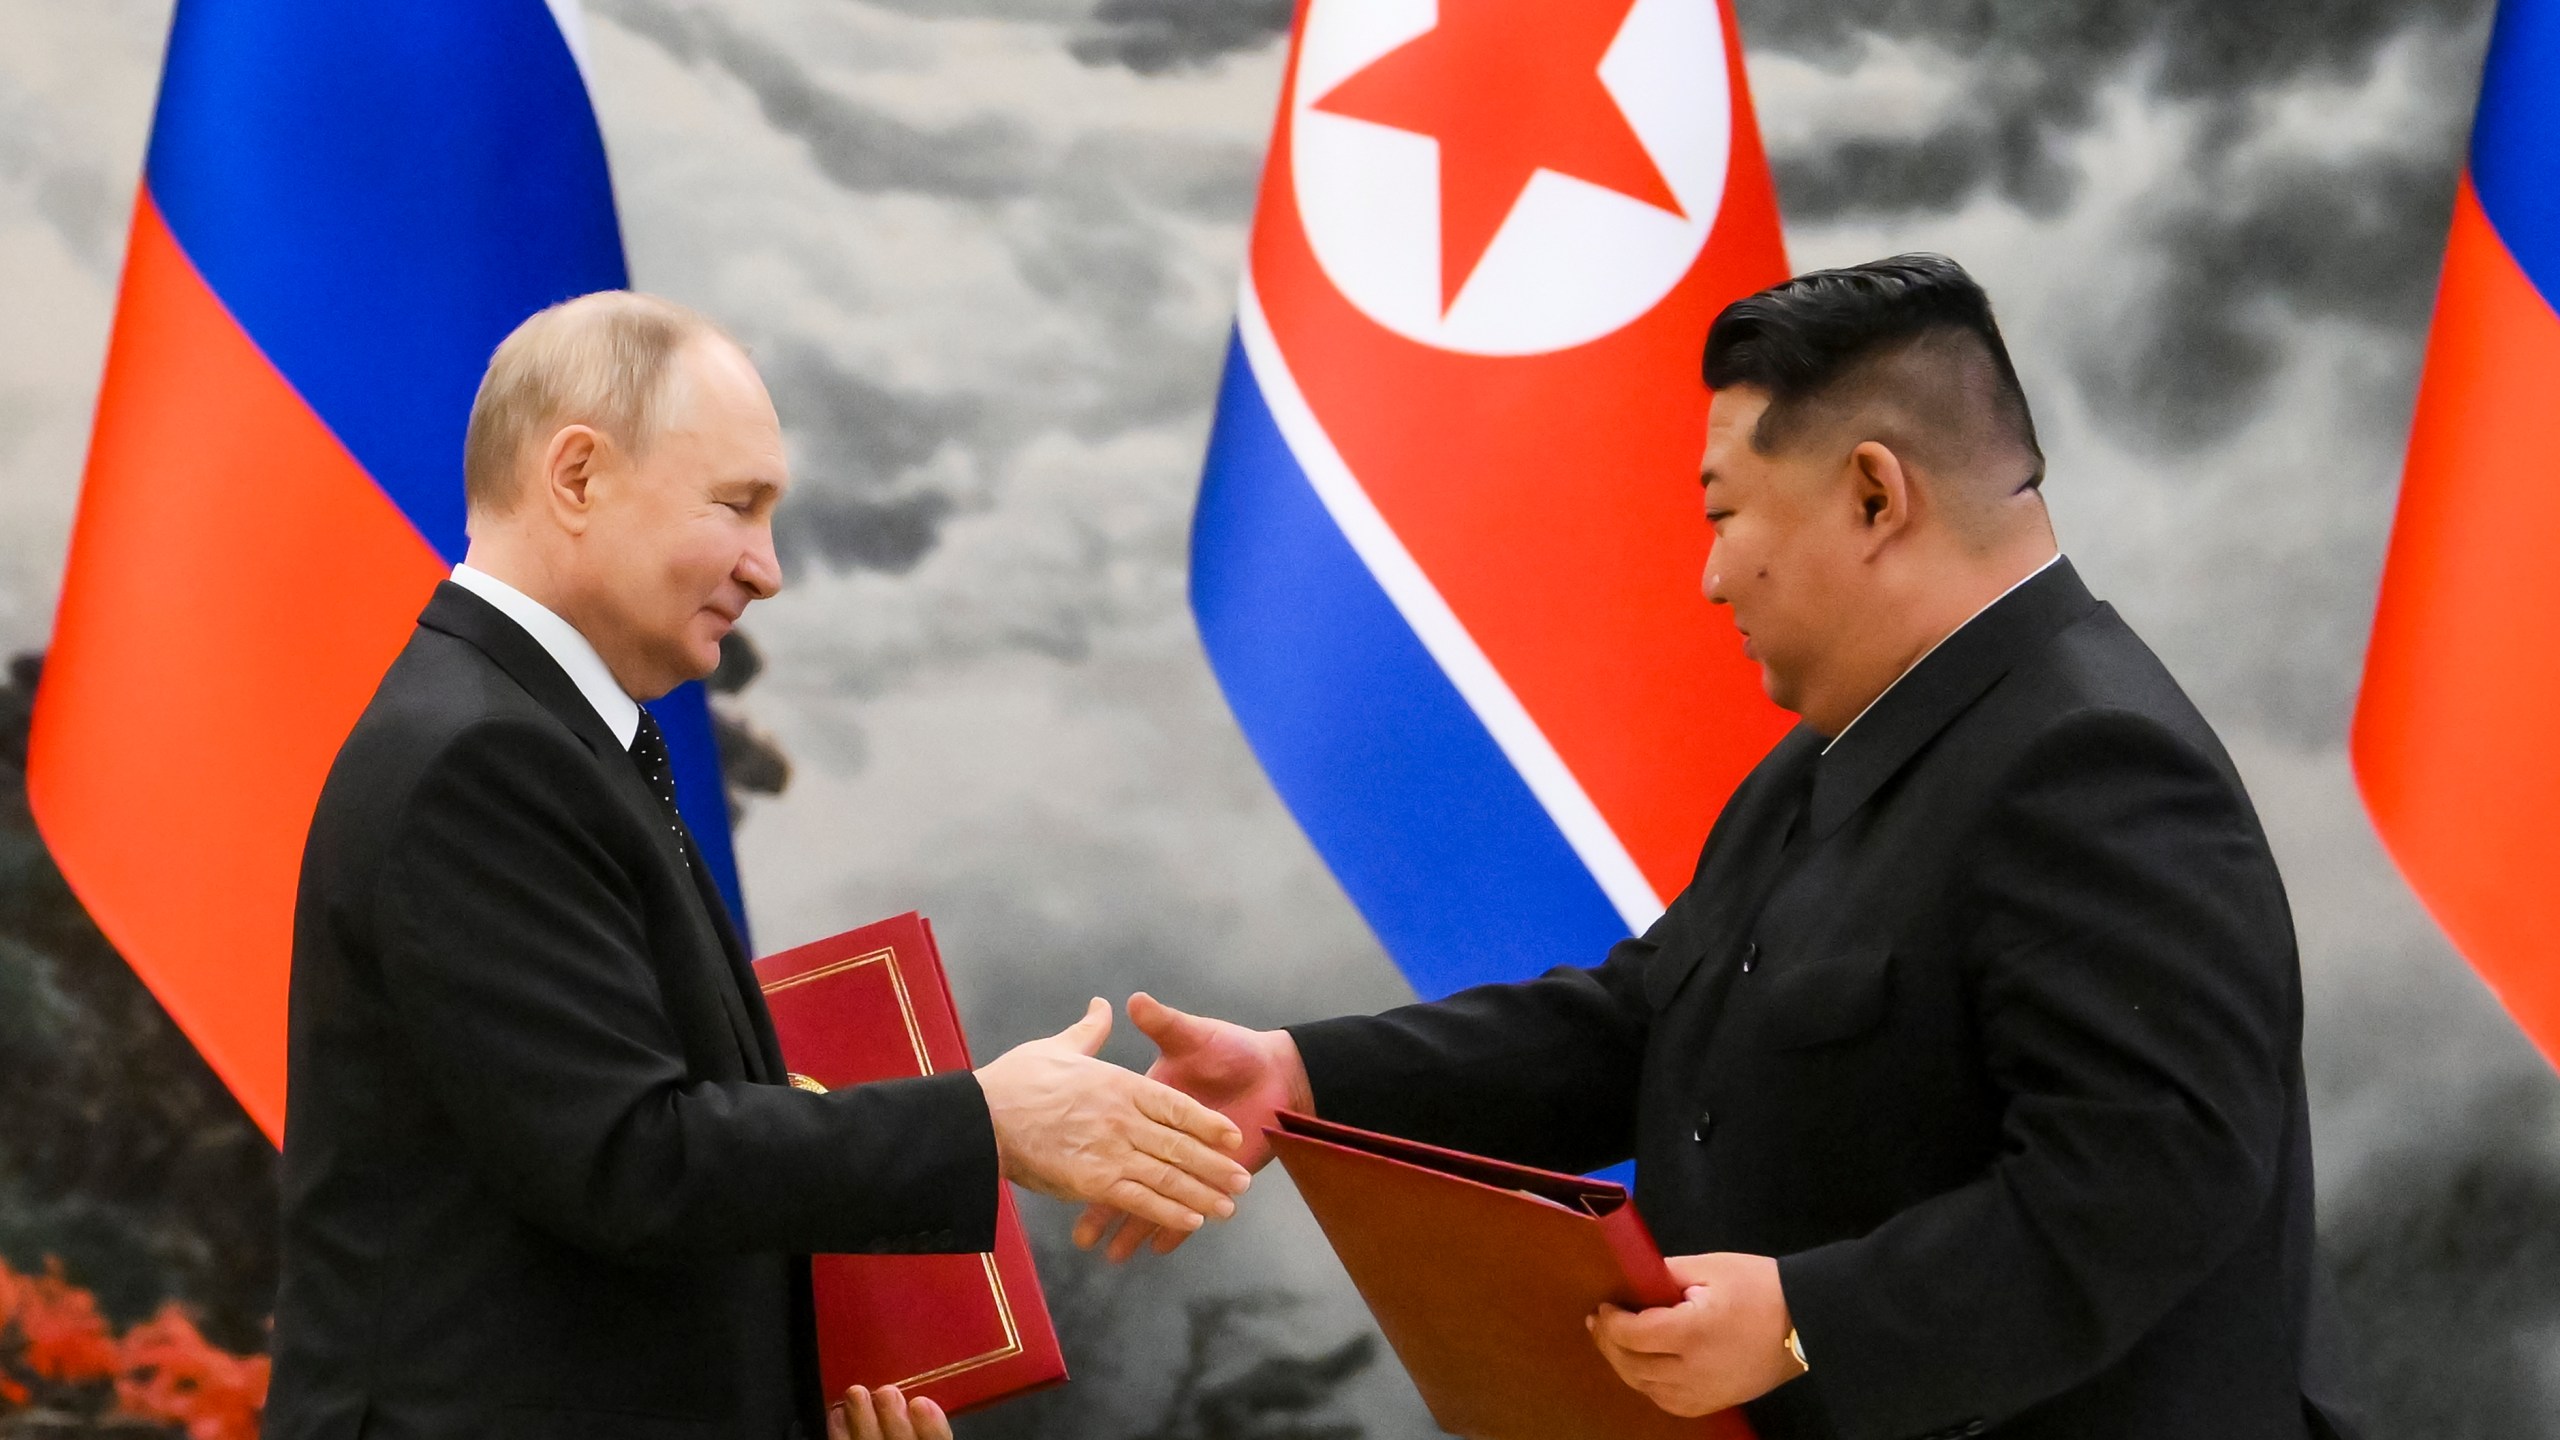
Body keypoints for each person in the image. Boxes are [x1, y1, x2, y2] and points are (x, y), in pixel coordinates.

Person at [1079, 256, 2359, 1440]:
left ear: (1874, 496)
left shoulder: (2096, 763)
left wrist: (1807, 1325)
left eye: (1725, 513)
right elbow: (1650, 1024)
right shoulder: (1835, 753)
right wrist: (1304, 1078)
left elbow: (2148, 1187)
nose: (1708, 577)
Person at [265, 292, 1253, 1440]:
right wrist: (986, 1121)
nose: (768, 570)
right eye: (736, 506)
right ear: (576, 477)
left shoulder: (540, 735)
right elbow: (630, 1160)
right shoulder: (485, 757)